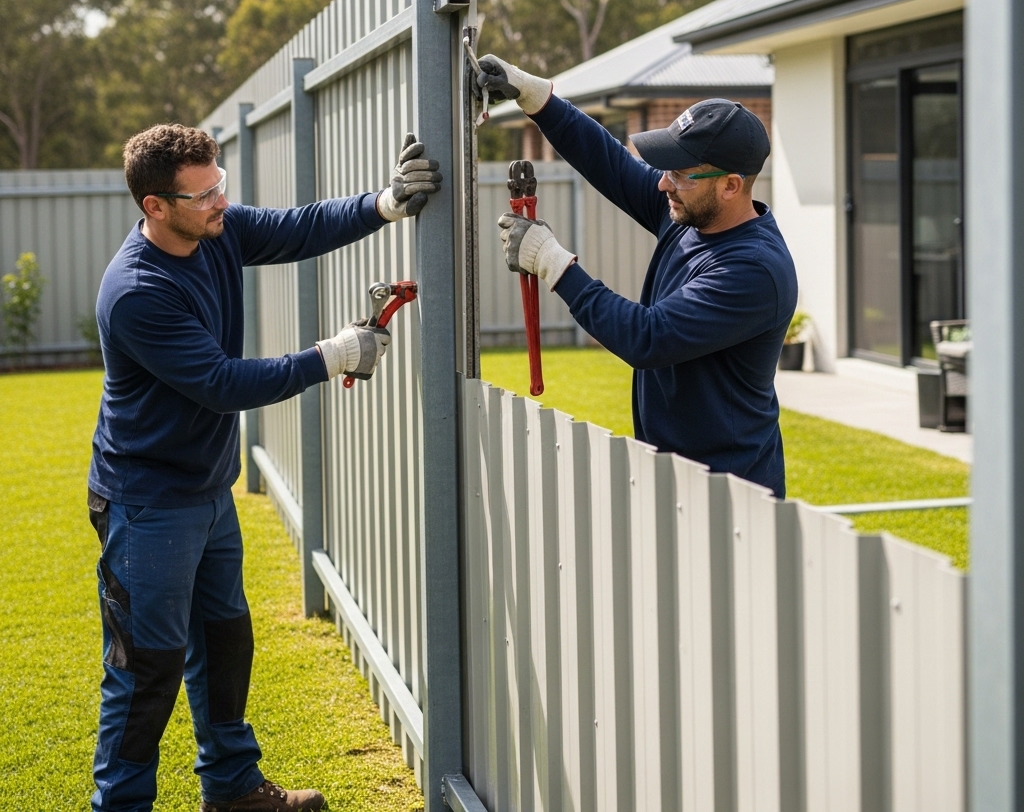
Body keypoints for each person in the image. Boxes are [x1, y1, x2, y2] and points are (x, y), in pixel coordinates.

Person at [86, 124, 440, 812]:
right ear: (155, 206)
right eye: (203, 194)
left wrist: (386, 204)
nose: (222, 200)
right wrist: (333, 355)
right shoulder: (138, 291)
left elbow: (297, 227)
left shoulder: (214, 231)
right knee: (146, 668)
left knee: (225, 642)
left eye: (221, 184)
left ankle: (231, 787)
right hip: (148, 503)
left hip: (207, 493)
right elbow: (222, 383)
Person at [476, 56, 797, 497]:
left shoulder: (753, 270)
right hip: (676, 473)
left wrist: (552, 262)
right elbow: (609, 162)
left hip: (730, 489)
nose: (664, 184)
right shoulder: (690, 213)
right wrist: (534, 95)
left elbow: (647, 338)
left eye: (680, 175)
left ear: (731, 186)